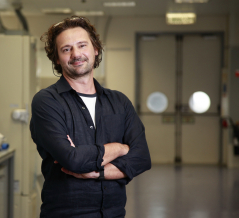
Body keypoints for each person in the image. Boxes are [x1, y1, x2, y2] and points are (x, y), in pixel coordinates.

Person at [30, 16, 151, 218]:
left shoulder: (119, 102)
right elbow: (73, 160)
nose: (76, 54)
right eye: (66, 49)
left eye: (82, 45)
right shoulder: (47, 102)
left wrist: (96, 172)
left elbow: (142, 158)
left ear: (95, 49)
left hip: (114, 214)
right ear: (57, 58)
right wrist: (120, 148)